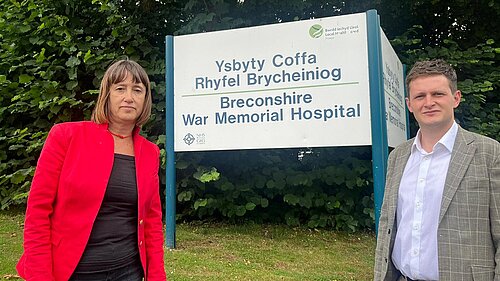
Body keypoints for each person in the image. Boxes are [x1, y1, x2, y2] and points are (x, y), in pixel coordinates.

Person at [16, 60, 167, 281]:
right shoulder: (66, 137)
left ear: (145, 99)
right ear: (106, 94)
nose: (129, 97)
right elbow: (38, 212)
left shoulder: (149, 152)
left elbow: (152, 222)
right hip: (72, 272)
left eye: (137, 90)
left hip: (128, 272)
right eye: (120, 88)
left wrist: (157, 277)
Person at [374, 59, 499, 280]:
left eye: (438, 94)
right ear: (409, 104)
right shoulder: (398, 156)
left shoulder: (489, 153)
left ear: (456, 98)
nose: (428, 102)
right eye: (420, 96)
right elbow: (388, 226)